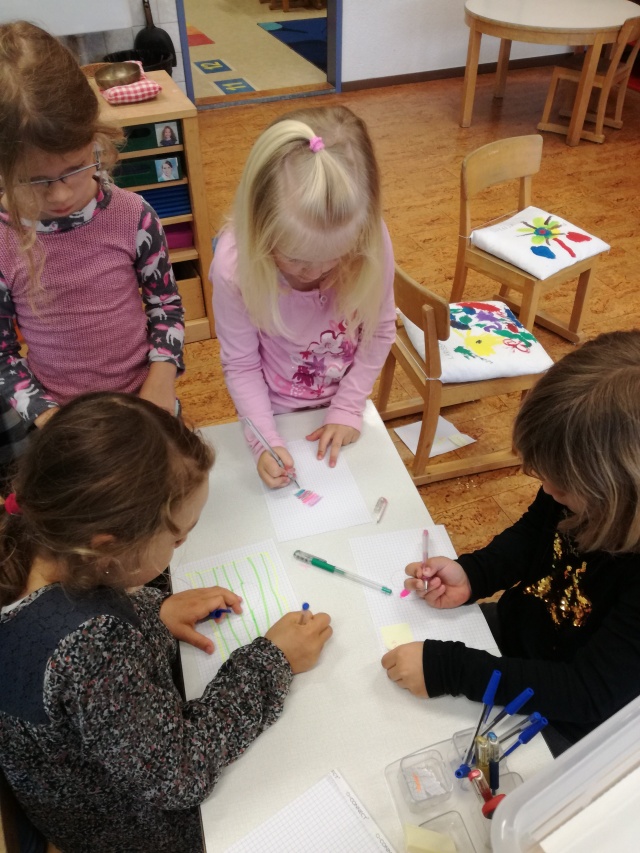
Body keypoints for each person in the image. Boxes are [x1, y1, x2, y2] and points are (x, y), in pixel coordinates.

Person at [0, 392, 332, 853]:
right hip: (126, 829)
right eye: (177, 538)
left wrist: (150, 613)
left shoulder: (28, 536)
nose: (181, 547)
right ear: (107, 549)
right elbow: (179, 775)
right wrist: (271, 662)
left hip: (71, 787)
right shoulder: (91, 648)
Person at [381, 330, 640, 755]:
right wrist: (474, 573)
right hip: (516, 640)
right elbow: (533, 533)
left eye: (562, 486)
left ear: (623, 494)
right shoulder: (578, 485)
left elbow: (589, 692)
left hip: (567, 718)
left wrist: (452, 670)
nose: (547, 490)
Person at [0, 22, 185, 472]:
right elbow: (2, 353)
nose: (61, 195)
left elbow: (166, 308)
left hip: (146, 402)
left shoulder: (133, 216)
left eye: (76, 168)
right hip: (61, 422)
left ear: (96, 138)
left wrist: (160, 386)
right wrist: (50, 418)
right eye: (34, 181)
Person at [210, 105, 396, 488]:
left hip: (344, 403)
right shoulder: (233, 268)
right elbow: (242, 365)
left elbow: (379, 330)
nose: (315, 273)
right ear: (259, 229)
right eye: (295, 259)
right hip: (273, 411)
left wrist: (348, 406)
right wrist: (264, 441)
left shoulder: (370, 241)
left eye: (334, 259)